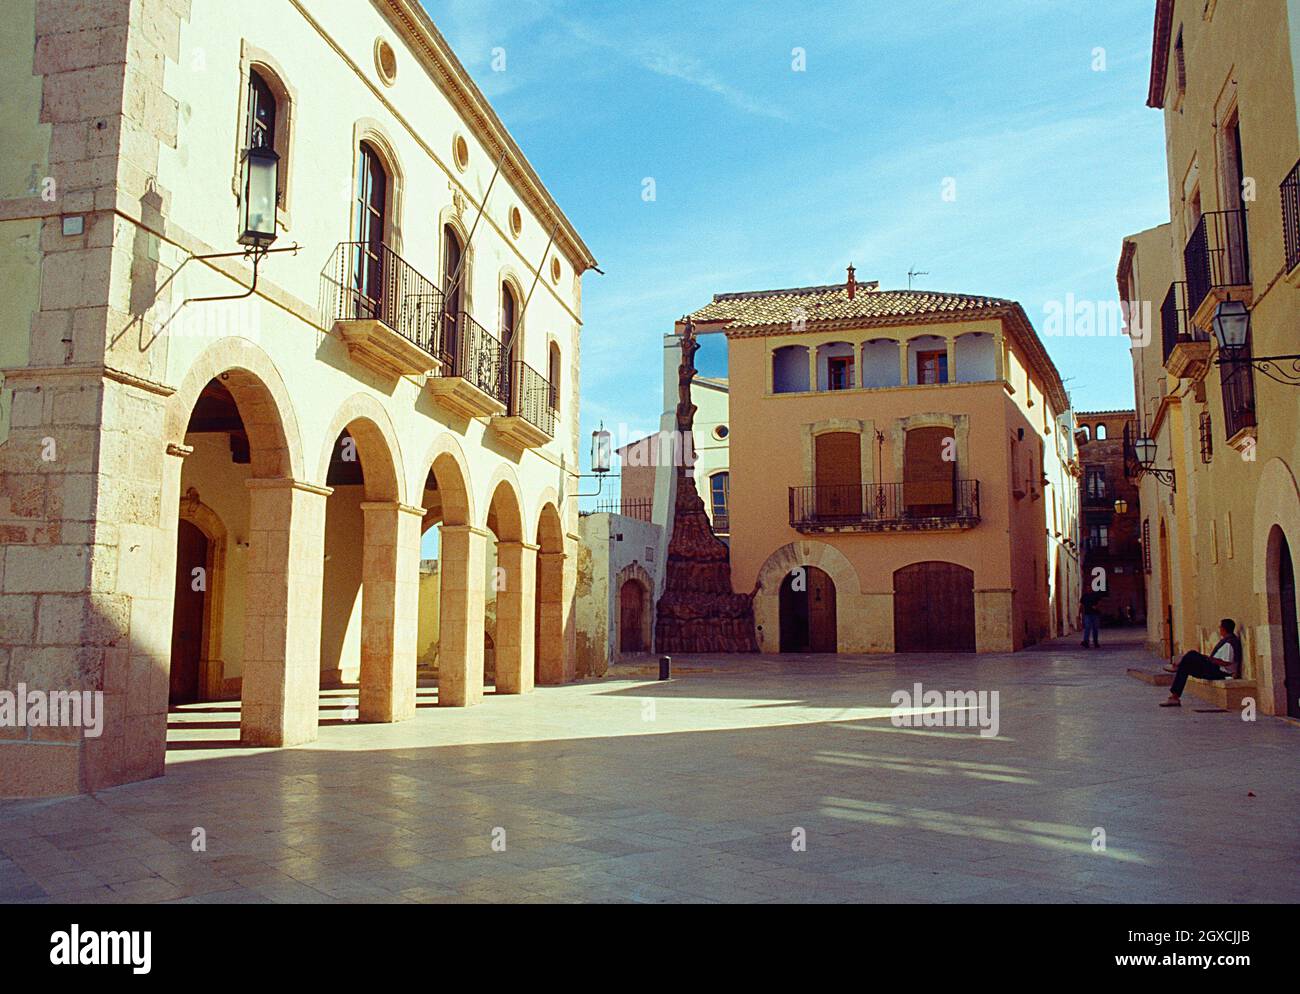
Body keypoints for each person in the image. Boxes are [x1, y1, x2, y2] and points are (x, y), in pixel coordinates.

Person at [1160, 619, 1242, 707]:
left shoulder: (1230, 643)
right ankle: (1174, 697)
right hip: (1215, 669)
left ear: (1223, 629)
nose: (1219, 629)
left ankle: (1177, 667)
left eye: (1220, 627)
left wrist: (1208, 659)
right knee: (1185, 666)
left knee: (1192, 654)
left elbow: (1227, 662)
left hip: (1220, 672)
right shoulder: (1227, 641)